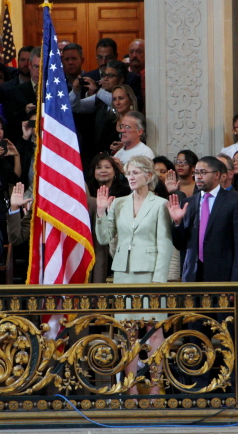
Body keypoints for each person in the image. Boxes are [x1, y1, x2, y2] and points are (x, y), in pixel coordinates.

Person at [95, 156, 173, 394]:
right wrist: (100, 212)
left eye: (136, 173)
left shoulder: (159, 204)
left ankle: (156, 389)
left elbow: (165, 243)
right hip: (124, 273)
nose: (131, 177)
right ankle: (131, 389)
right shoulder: (118, 203)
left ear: (149, 176)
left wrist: (159, 281)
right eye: (128, 173)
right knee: (129, 332)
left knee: (155, 331)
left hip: (151, 275)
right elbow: (104, 238)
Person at [167, 156, 238, 282]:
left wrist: (236, 283)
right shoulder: (187, 203)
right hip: (192, 275)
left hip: (223, 276)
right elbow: (181, 245)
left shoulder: (235, 201)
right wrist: (178, 223)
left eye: (203, 172)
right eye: (196, 173)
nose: (198, 177)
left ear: (217, 175)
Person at [86, 153, 131, 283]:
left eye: (107, 167)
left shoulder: (125, 192)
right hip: (93, 243)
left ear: (114, 171)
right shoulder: (87, 193)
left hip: (116, 243)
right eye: (99, 167)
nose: (103, 171)